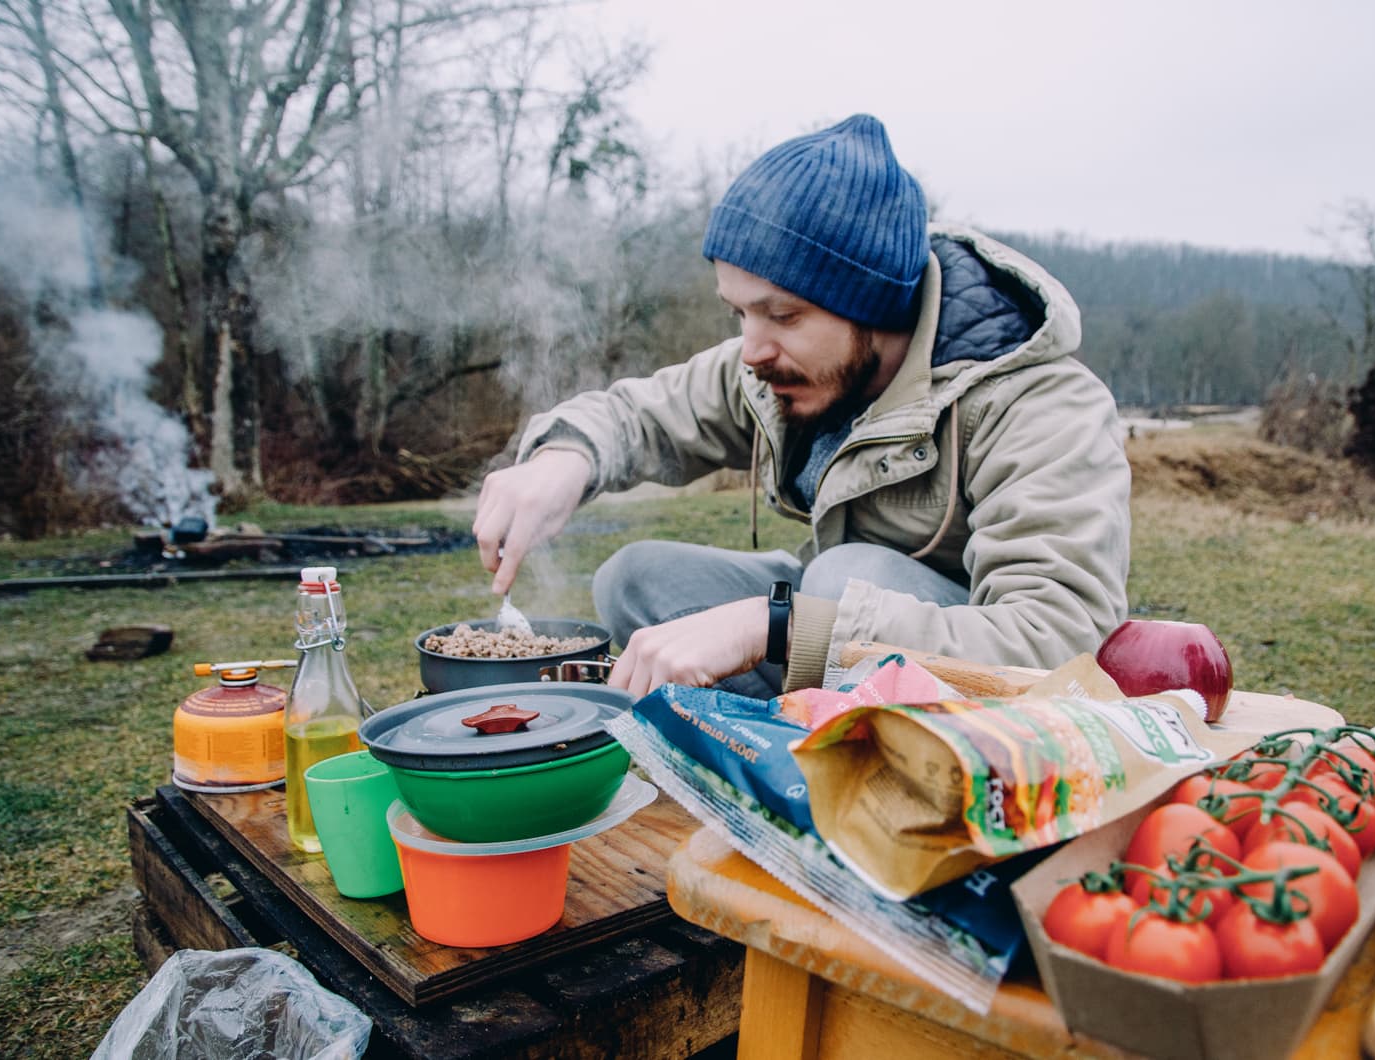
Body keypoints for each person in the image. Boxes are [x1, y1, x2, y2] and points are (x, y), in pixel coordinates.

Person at [474, 114, 1130, 699]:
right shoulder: (777, 365)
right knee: (635, 578)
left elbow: (1056, 641)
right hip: (835, 624)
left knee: (844, 576)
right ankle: (773, 737)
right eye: (739, 313)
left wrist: (783, 626)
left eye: (782, 315)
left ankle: (848, 749)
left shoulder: (1039, 404)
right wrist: (564, 459)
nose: (751, 350)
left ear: (874, 306)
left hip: (980, 689)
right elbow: (645, 414)